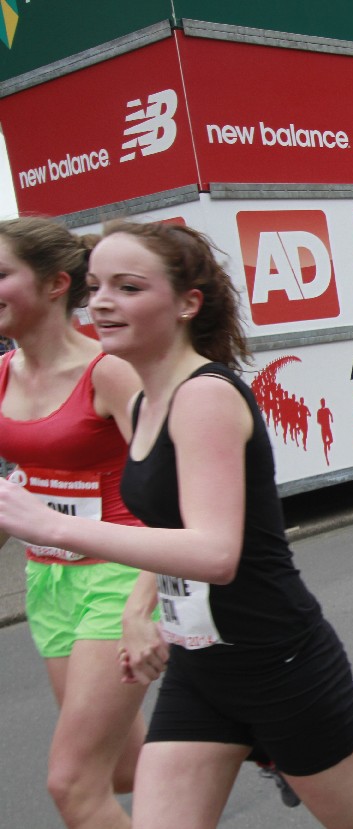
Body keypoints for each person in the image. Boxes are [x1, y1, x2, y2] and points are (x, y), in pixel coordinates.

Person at [0, 220, 353, 829]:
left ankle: (273, 746)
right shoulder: (146, 401)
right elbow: (163, 525)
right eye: (95, 287)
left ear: (187, 303)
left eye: (128, 287)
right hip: (199, 664)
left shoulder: (204, 395)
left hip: (276, 662)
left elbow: (215, 554)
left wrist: (54, 526)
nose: (102, 303)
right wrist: (139, 607)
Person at [0, 217, 151, 829]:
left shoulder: (109, 371)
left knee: (72, 785)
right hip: (49, 579)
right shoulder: (1, 376)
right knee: (118, 770)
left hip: (120, 573)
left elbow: (174, 494)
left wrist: (144, 602)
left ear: (55, 284)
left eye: (0, 274)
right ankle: (234, 741)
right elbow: (22, 491)